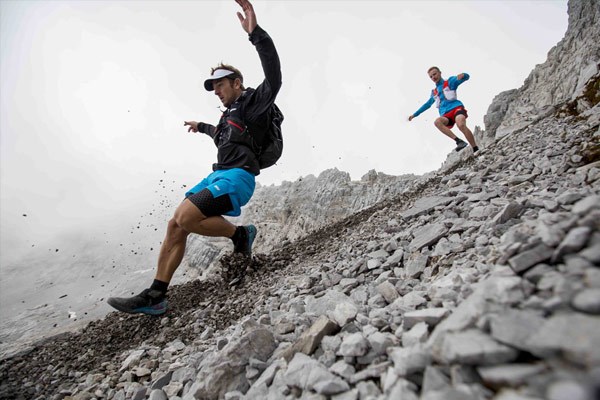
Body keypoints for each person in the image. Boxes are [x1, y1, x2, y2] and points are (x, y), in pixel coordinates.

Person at [107, 0, 281, 316]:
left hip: (238, 177)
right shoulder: (229, 119)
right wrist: (199, 126)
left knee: (188, 216)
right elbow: (219, 135)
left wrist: (256, 34)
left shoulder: (254, 104)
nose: (216, 91)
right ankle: (156, 295)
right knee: (176, 223)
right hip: (218, 175)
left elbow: (274, 77)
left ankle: (241, 234)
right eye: (213, 87)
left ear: (237, 83)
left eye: (220, 85)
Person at [408, 66, 479, 153]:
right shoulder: (434, 92)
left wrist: (464, 75)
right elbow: (427, 104)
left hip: (456, 108)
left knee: (460, 124)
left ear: (440, 73)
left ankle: (475, 149)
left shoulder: (450, 82)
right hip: (445, 115)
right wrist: (414, 115)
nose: (433, 77)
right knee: (437, 122)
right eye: (431, 76)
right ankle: (459, 141)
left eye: (434, 74)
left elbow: (466, 77)